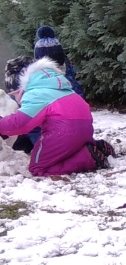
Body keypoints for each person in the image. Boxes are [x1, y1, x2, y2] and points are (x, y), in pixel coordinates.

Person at [0, 46, 112, 175]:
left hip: (63, 131)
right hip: (85, 127)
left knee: (38, 168)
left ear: (20, 88)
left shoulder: (35, 94)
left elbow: (21, 123)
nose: (15, 99)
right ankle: (95, 148)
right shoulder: (57, 86)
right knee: (63, 152)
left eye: (13, 95)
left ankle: (88, 158)